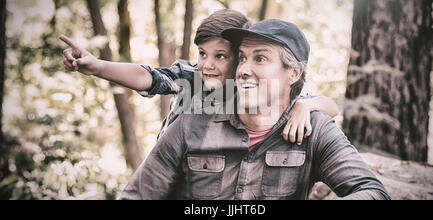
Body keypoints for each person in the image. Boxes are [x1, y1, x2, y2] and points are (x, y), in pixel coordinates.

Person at [119, 19, 390, 200]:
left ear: (293, 73)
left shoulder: (314, 130)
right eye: (242, 58)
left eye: (260, 58)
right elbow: (137, 195)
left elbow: (372, 191)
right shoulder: (193, 124)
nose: (244, 70)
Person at [60, 9, 339, 145]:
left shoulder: (252, 93)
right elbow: (149, 77)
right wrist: (96, 66)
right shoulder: (191, 77)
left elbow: (330, 105)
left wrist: (305, 105)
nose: (206, 65)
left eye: (220, 56)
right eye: (202, 53)